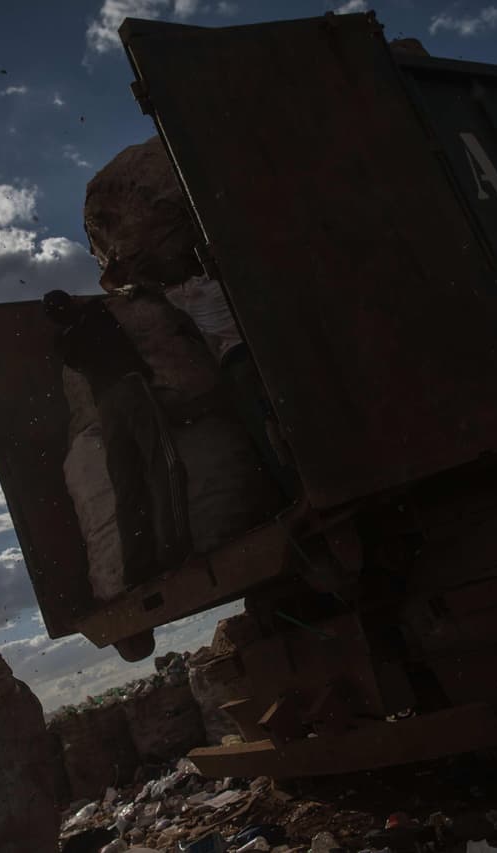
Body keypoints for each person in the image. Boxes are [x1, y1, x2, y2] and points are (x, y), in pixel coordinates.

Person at [84, 137, 301, 499]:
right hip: (250, 355)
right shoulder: (209, 282)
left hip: (238, 362)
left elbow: (128, 283)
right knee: (274, 423)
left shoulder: (178, 293)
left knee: (266, 429)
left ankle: (291, 485)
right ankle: (293, 480)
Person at [44, 289, 190, 587]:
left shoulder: (64, 344)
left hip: (105, 405)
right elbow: (106, 302)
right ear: (72, 302)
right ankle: (175, 550)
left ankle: (137, 567)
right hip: (130, 388)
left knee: (126, 484)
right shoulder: (96, 313)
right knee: (164, 463)